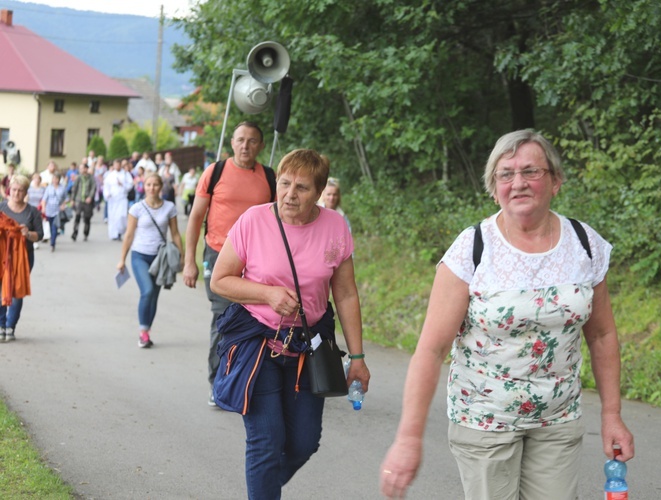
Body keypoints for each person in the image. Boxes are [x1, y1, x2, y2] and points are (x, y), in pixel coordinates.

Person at [380, 130, 634, 500]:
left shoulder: (584, 243)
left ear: (556, 181)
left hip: (557, 419)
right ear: (494, 186)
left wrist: (612, 415)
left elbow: (601, 336)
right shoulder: (473, 248)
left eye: (531, 171)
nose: (518, 183)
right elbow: (431, 350)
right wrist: (407, 439)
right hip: (485, 422)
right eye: (506, 174)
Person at [211, 148, 370, 499]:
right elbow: (220, 280)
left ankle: (263, 487)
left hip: (308, 349)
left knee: (304, 442)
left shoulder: (335, 226)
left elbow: (344, 295)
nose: (289, 194)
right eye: (284, 184)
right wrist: (266, 295)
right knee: (265, 443)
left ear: (319, 192)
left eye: (301, 187)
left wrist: (357, 358)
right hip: (258, 343)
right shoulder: (253, 220)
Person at [182, 121, 276, 406]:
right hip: (218, 255)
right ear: (232, 142)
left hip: (257, 260)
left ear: (260, 145)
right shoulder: (216, 172)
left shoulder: (269, 178)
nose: (245, 146)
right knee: (224, 318)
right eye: (240, 140)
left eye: (251, 141)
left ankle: (246, 378)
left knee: (256, 320)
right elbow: (196, 218)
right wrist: (190, 261)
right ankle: (219, 384)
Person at [117, 173, 184, 348]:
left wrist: (183, 256)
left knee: (154, 296)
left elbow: (175, 233)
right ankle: (142, 332)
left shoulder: (169, 207)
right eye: (148, 184)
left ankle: (146, 332)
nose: (152, 188)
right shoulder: (137, 208)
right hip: (139, 255)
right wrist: (122, 259)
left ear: (161, 187)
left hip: (160, 258)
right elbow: (129, 235)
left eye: (155, 185)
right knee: (146, 291)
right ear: (144, 187)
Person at [0, 175, 44, 342]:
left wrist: (28, 234)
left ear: (26, 192)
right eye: (14, 190)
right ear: (9, 190)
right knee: (1, 290)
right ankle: (1, 324)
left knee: (17, 291)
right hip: (2, 255)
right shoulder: (1, 208)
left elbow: (39, 235)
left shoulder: (32, 212)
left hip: (23, 257)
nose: (16, 193)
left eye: (20, 191)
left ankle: (11, 326)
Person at [103, 159, 134, 241]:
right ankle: (114, 234)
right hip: (113, 199)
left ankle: (120, 231)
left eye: (118, 165)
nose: (117, 166)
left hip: (122, 198)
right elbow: (106, 186)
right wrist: (107, 194)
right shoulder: (110, 175)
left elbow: (130, 184)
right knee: (113, 217)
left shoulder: (125, 174)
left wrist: (123, 185)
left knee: (121, 216)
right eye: (115, 165)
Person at [40, 173, 67, 252]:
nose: (55, 180)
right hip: (49, 209)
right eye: (54, 179)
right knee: (51, 226)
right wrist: (43, 208)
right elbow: (44, 199)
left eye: (57, 179)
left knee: (54, 226)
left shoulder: (62, 188)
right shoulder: (49, 188)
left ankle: (52, 244)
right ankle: (53, 237)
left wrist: (63, 205)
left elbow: (66, 198)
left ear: (59, 179)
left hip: (57, 210)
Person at [70, 162, 96, 242]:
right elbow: (74, 189)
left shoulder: (91, 178)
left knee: (87, 218)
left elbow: (93, 188)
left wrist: (90, 197)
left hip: (87, 201)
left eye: (82, 168)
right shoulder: (79, 178)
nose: (80, 170)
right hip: (79, 200)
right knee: (77, 216)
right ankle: (75, 233)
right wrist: (72, 199)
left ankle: (86, 233)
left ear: (86, 169)